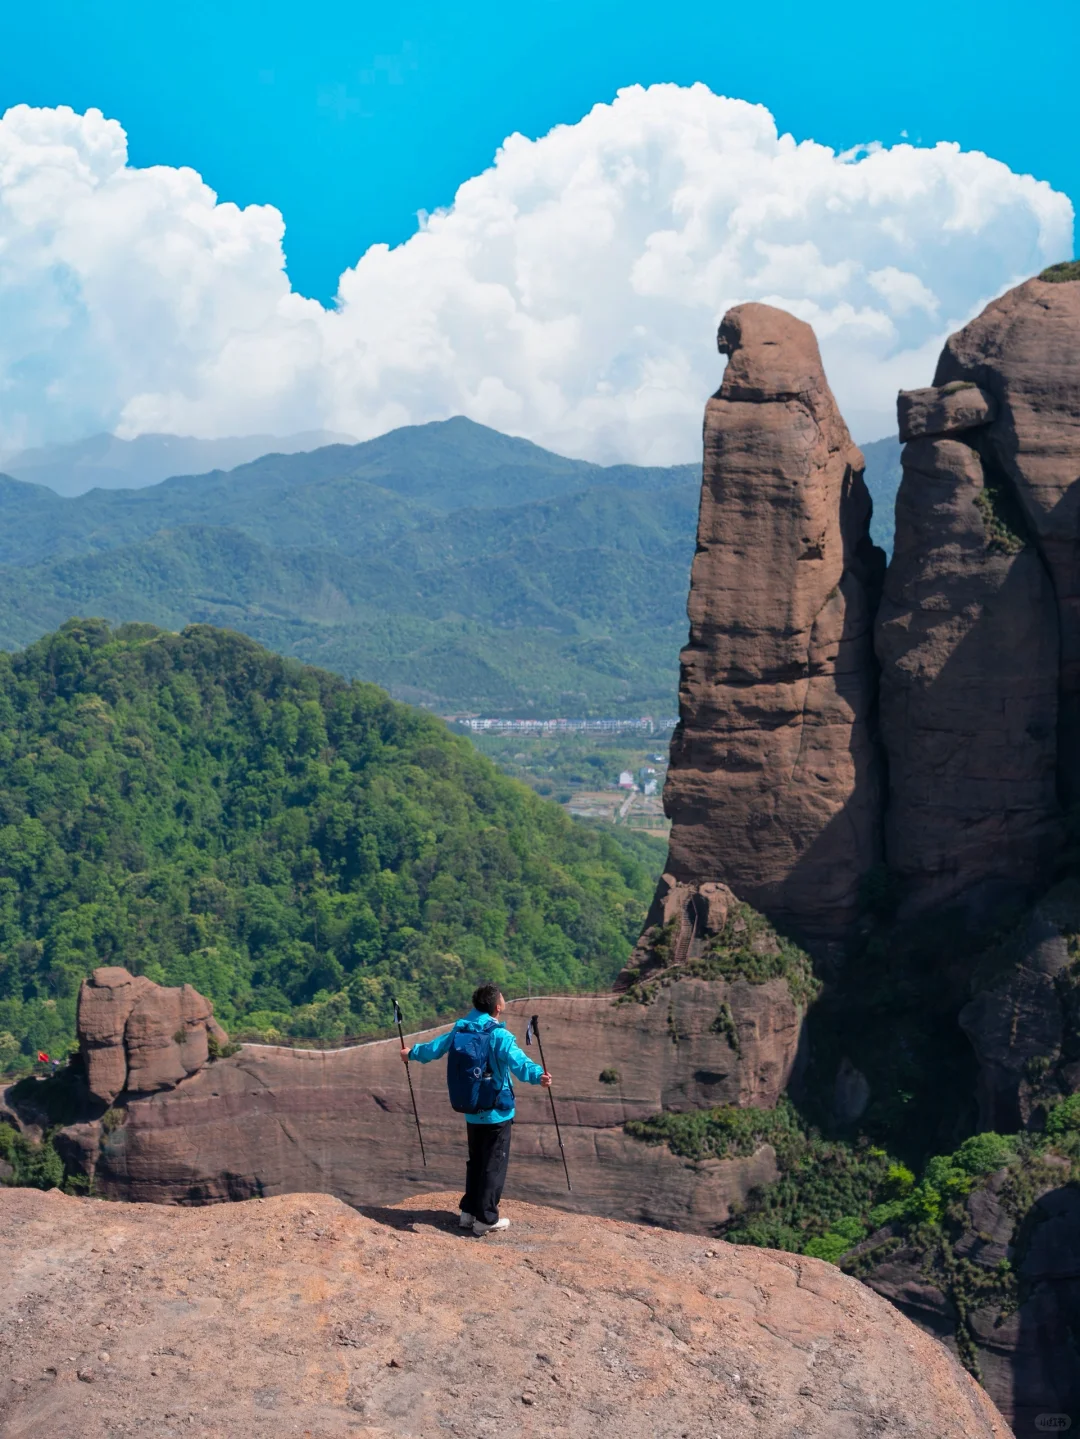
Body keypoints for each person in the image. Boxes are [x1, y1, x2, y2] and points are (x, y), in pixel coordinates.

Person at [400, 983, 551, 1235]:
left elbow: (434, 1049)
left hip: (472, 1109)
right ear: (497, 1007)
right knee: (493, 1164)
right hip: (497, 1111)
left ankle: (468, 1213)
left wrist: (411, 1053)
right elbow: (520, 1064)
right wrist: (539, 1076)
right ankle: (486, 1219)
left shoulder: (461, 1028)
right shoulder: (499, 1036)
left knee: (476, 1161)